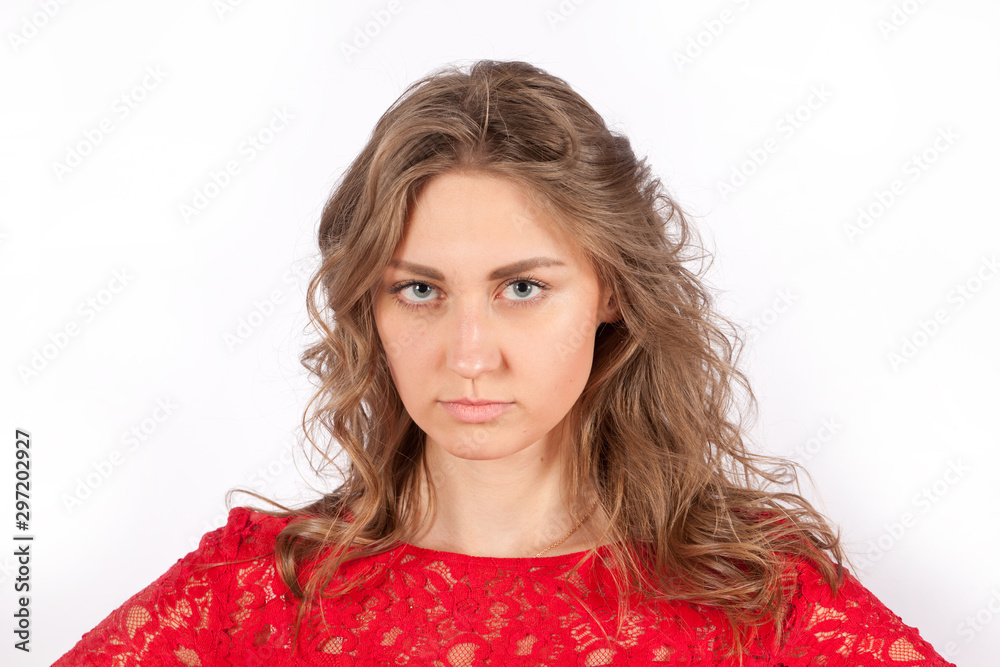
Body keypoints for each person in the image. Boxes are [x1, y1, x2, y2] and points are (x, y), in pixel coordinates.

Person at [53, 59, 955, 666]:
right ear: (369, 303)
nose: (469, 354)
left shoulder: (756, 597)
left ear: (610, 290)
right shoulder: (256, 591)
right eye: (419, 289)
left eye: (522, 287)